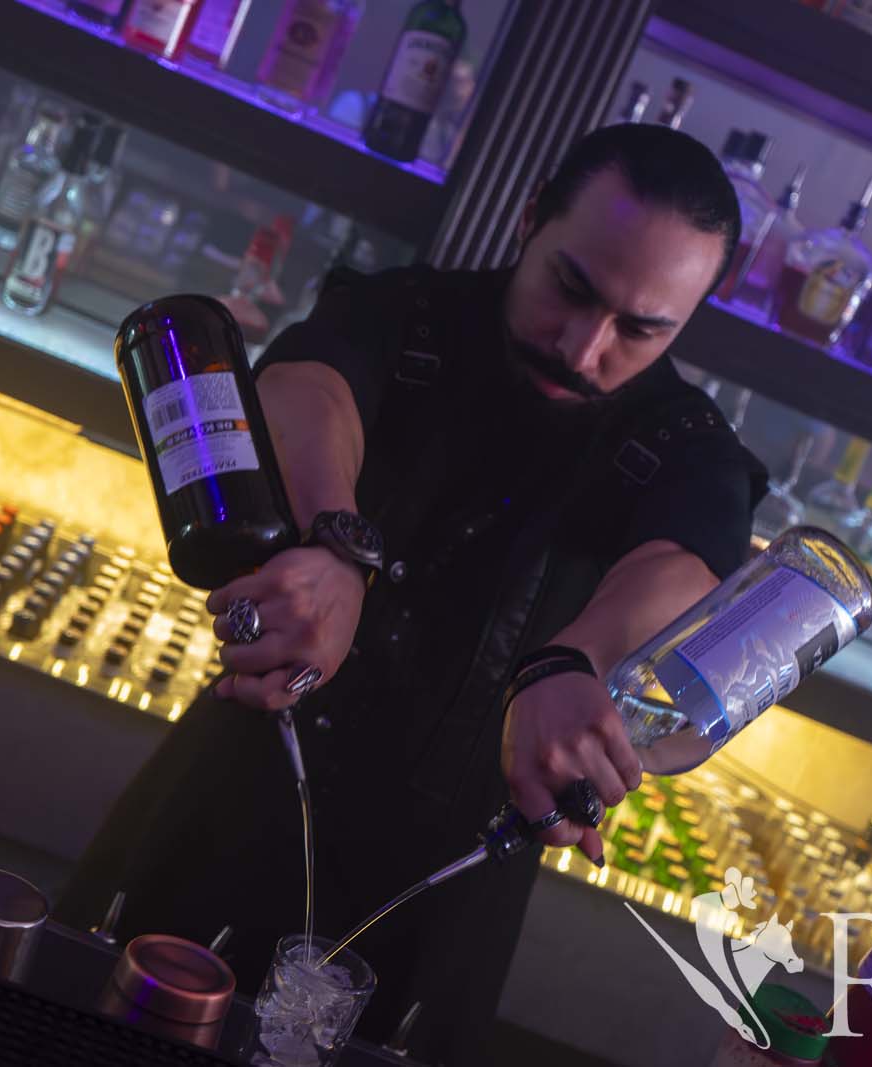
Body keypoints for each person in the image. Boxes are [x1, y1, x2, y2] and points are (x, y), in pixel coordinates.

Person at [59, 123, 767, 1064]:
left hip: (447, 897)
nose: (585, 345)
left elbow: (687, 557)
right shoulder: (408, 312)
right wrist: (332, 546)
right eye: (572, 287)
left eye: (642, 329)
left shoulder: (690, 444)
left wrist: (575, 659)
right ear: (528, 221)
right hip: (231, 806)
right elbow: (310, 388)